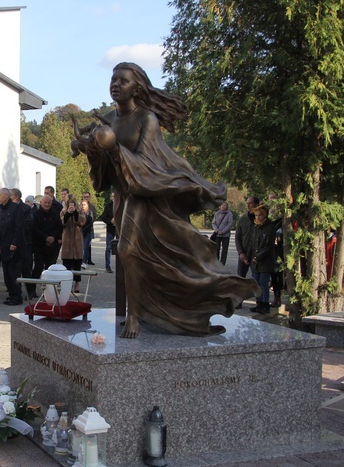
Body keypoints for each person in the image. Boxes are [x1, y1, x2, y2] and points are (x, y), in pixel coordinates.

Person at [74, 62, 258, 336]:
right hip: (125, 196)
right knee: (133, 256)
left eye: (122, 80)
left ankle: (135, 316)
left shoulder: (147, 118)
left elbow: (148, 165)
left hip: (149, 197)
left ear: (136, 87)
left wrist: (113, 147)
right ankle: (142, 311)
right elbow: (105, 173)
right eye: (113, 79)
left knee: (127, 250)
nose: (115, 84)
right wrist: (88, 147)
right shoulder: (109, 118)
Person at [0, 188, 25, 305]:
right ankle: (11, 294)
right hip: (3, 246)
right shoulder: (1, 209)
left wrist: (14, 243)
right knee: (7, 273)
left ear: (6, 196)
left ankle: (17, 296)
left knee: (14, 272)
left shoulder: (16, 208)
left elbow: (19, 227)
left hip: (14, 247)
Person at [248, 205, 277, 314]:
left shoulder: (270, 227)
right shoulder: (255, 226)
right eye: (256, 215)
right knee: (256, 282)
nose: (258, 217)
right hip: (255, 261)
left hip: (265, 261)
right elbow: (252, 243)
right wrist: (248, 256)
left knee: (263, 282)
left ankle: (265, 304)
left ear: (264, 215)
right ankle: (259, 303)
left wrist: (258, 257)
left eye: (260, 215)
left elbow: (268, 246)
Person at [32, 195, 63, 280]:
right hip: (39, 245)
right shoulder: (35, 214)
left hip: (53, 245)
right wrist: (45, 238)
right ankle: (32, 288)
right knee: (38, 267)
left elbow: (59, 227)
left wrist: (53, 237)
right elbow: (34, 229)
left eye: (49, 203)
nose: (47, 204)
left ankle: (50, 288)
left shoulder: (56, 214)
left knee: (51, 267)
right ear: (41, 203)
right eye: (45, 203)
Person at [61, 196, 86, 293]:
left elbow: (82, 222)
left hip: (77, 240)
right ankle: (66, 283)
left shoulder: (80, 212)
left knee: (77, 264)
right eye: (69, 204)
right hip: (67, 241)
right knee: (66, 263)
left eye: (73, 204)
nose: (71, 206)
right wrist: (68, 213)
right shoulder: (63, 212)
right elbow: (62, 222)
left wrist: (75, 213)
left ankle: (77, 283)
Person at [99, 192, 116, 273]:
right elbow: (103, 217)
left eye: (115, 196)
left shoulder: (123, 205)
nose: (113, 198)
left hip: (120, 230)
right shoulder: (108, 206)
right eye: (112, 196)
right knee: (108, 247)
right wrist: (110, 221)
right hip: (111, 229)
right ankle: (107, 265)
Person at [82, 191, 98, 265]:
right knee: (84, 245)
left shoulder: (92, 207)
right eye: (85, 197)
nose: (86, 198)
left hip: (89, 228)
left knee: (88, 245)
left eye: (87, 197)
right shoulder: (80, 206)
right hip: (82, 229)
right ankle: (84, 260)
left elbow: (94, 216)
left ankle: (89, 259)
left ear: (90, 197)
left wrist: (89, 221)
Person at [80, 199, 94, 269]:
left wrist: (83, 229)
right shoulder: (79, 213)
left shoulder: (90, 212)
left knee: (86, 247)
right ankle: (80, 261)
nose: (83, 206)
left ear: (87, 205)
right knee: (81, 248)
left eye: (84, 205)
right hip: (80, 233)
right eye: (82, 205)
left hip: (87, 233)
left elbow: (90, 223)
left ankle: (84, 262)